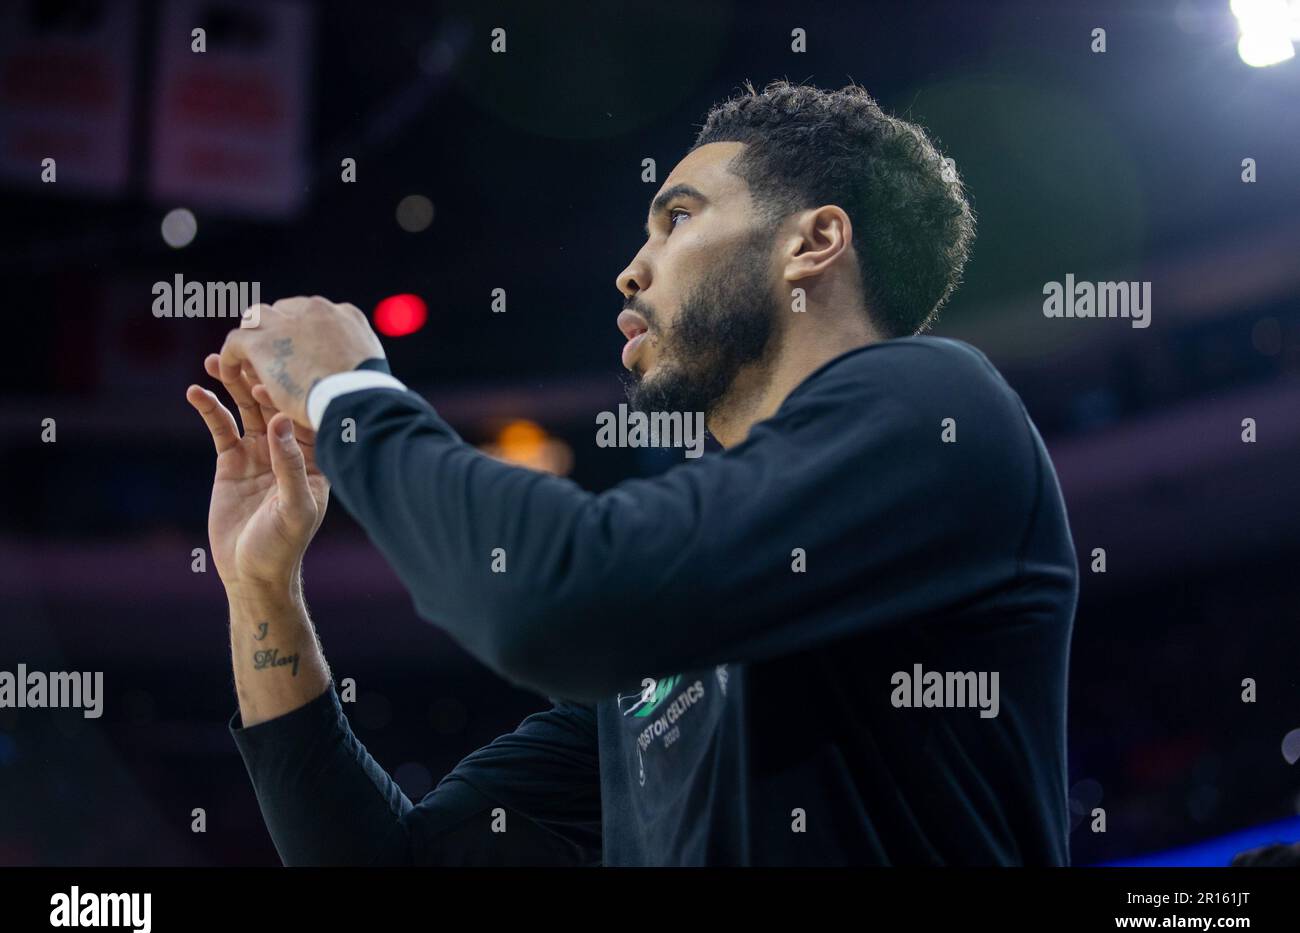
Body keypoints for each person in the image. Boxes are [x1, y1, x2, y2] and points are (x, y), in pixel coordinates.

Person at [188, 80, 1078, 865]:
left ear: (814, 242)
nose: (630, 269)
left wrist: (352, 396)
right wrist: (261, 588)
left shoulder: (938, 404)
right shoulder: (661, 653)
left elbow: (557, 599)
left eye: (678, 217)